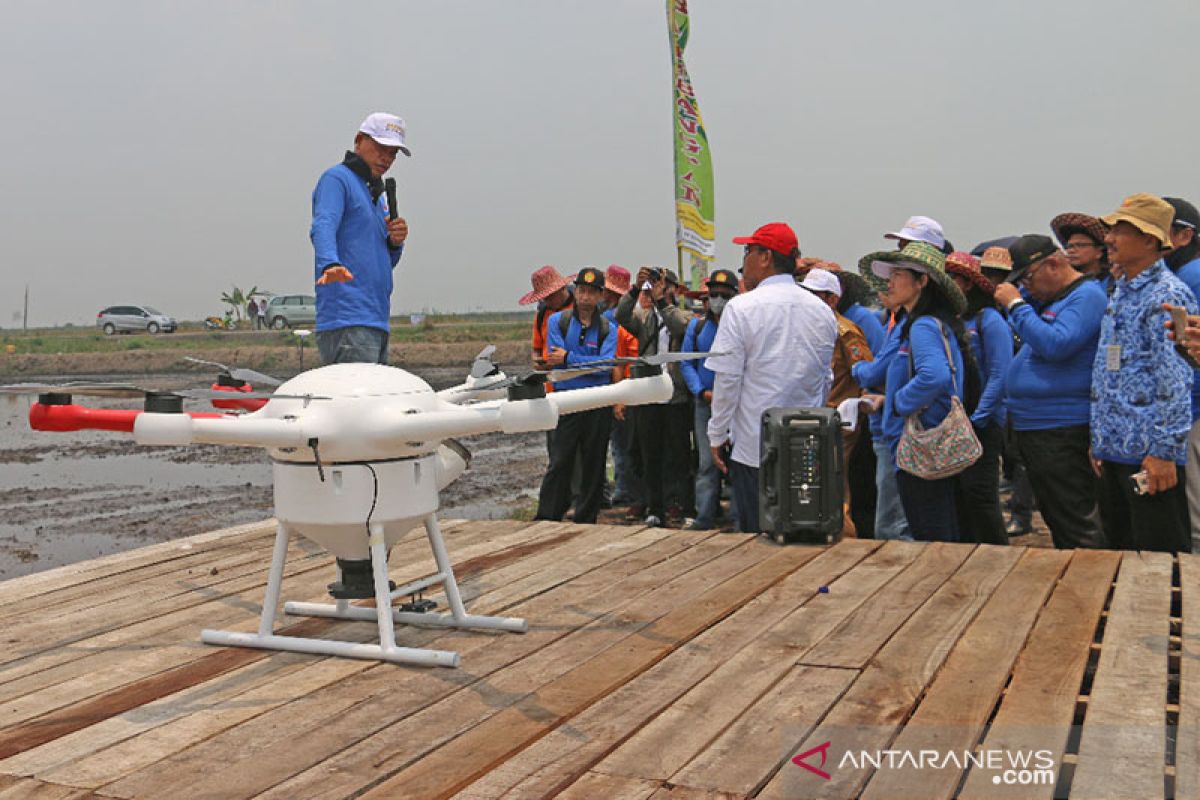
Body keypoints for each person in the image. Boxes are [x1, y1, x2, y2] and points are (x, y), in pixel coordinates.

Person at [707, 222, 837, 533]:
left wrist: (716, 434)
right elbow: (825, 380)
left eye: (748, 251)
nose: (744, 261)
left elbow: (727, 382)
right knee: (801, 538)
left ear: (766, 257)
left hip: (756, 446)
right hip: (806, 443)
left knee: (757, 540)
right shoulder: (822, 311)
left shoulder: (741, 308)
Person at [1091, 194, 1197, 553]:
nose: (1109, 239)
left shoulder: (1168, 295)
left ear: (1150, 239)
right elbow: (1109, 375)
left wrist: (1165, 451)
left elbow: (1177, 379)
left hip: (1149, 456)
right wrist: (1101, 438)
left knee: (1160, 559)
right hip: (1118, 450)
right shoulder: (1121, 293)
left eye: (1120, 230)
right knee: (1122, 552)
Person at [993, 235, 1106, 549]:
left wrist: (1016, 304)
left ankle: (1089, 586)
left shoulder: (1086, 297)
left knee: (1076, 520)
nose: (1026, 287)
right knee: (1058, 517)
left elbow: (1057, 344)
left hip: (1062, 427)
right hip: (1039, 427)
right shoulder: (1056, 301)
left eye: (1028, 278)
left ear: (1053, 264)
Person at [862, 243, 972, 542]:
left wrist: (897, 403)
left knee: (924, 533)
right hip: (927, 442)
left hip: (919, 446)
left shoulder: (922, 327)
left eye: (898, 274)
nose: (890, 282)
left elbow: (933, 376)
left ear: (922, 281)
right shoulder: (931, 324)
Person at [310, 112, 411, 365]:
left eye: (393, 154)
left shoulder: (377, 196)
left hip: (376, 318)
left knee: (373, 401)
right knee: (357, 402)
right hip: (348, 319)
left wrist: (394, 243)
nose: (386, 159)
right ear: (359, 141)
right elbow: (323, 225)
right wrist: (330, 264)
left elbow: (382, 260)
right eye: (381, 148)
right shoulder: (337, 179)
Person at [533, 268, 617, 524]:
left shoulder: (608, 328)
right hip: (567, 401)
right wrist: (582, 364)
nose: (585, 297)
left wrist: (571, 358)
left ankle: (586, 516)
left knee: (594, 462)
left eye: (592, 292)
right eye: (581, 290)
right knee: (560, 460)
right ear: (575, 291)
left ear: (601, 295)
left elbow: (606, 365)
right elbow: (554, 360)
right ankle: (548, 515)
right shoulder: (557, 321)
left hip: (597, 401)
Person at [799, 268, 873, 538]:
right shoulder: (809, 327)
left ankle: (846, 536)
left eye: (815, 295)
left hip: (839, 419)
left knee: (836, 485)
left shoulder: (846, 332)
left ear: (831, 299)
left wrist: (860, 407)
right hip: (813, 416)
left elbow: (865, 370)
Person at [616, 266, 692, 526]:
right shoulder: (646, 318)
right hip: (649, 392)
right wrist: (635, 289)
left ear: (673, 289)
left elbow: (679, 328)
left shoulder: (682, 315)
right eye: (654, 285)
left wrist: (662, 301)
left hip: (675, 395)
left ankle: (679, 505)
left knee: (677, 454)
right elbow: (621, 315)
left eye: (663, 285)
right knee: (650, 454)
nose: (657, 290)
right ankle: (654, 507)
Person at [945, 252, 1011, 545]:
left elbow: (1000, 373)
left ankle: (996, 553)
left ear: (968, 284)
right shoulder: (954, 320)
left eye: (952, 278)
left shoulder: (990, 319)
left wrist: (980, 418)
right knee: (958, 493)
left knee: (981, 494)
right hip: (957, 420)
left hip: (982, 421)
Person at [853, 253, 914, 541]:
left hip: (900, 428)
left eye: (895, 278)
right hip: (890, 427)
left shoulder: (915, 325)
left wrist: (892, 402)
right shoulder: (894, 321)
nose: (886, 287)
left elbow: (875, 371)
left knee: (892, 523)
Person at [680, 268, 739, 530]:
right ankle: (705, 515)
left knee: (739, 461)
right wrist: (700, 391)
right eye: (713, 294)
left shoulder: (741, 325)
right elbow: (686, 364)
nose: (717, 300)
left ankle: (740, 516)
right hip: (705, 404)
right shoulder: (697, 326)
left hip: (738, 405)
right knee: (706, 462)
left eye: (724, 295)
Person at [1163, 197, 1200, 552]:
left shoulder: (1189, 277)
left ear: (1184, 236)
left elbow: (1188, 352)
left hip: (1194, 409)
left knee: (1195, 513)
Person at [602, 265, 643, 509]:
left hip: (622, 385)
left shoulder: (612, 318)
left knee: (621, 444)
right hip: (633, 385)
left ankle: (625, 488)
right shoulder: (636, 315)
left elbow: (617, 361)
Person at [1051, 212, 1111, 290]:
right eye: (1069, 246)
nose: (1071, 250)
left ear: (1099, 252)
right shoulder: (1062, 284)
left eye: (1080, 245)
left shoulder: (1113, 283)